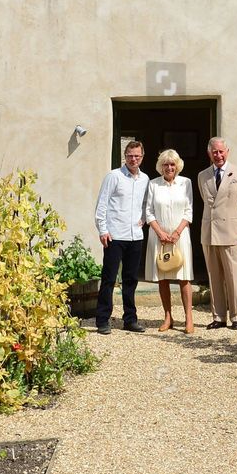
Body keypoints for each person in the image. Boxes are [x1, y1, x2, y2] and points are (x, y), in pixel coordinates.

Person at [93, 141, 150, 334]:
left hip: (135, 236)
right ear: (124, 156)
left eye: (137, 156)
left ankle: (130, 319)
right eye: (130, 156)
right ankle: (102, 320)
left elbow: (145, 203)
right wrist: (102, 230)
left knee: (131, 279)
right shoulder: (113, 176)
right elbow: (102, 204)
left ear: (142, 157)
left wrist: (143, 217)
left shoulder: (145, 179)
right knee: (109, 278)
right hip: (115, 235)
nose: (133, 159)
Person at [197, 137, 237, 330]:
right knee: (214, 276)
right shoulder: (203, 176)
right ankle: (219, 316)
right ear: (209, 153)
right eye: (214, 152)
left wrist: (232, 219)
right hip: (210, 232)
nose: (218, 155)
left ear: (227, 151)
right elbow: (206, 199)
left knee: (234, 276)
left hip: (231, 231)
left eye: (221, 151)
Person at [143, 148, 195, 334]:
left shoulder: (186, 183)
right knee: (163, 278)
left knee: (184, 277)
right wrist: (160, 232)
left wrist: (177, 232)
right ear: (160, 166)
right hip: (159, 237)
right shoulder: (153, 184)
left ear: (177, 165)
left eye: (172, 164)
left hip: (180, 236)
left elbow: (189, 211)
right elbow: (149, 212)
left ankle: (189, 318)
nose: (169, 167)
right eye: (165, 164)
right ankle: (168, 316)